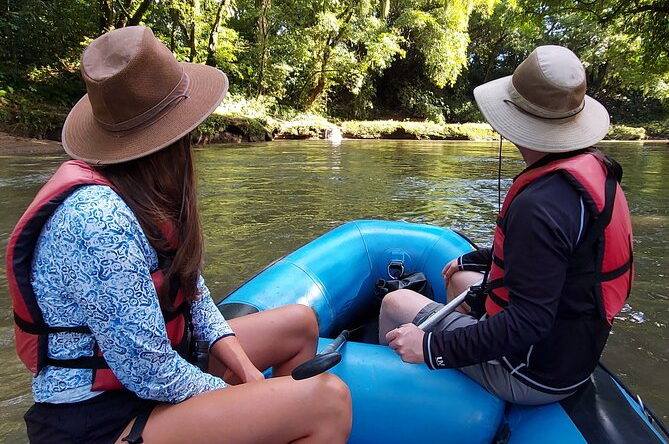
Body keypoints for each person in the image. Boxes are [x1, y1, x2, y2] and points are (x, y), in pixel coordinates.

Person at [6, 26, 351, 444]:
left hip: (152, 375)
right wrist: (244, 399)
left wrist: (246, 374)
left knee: (300, 324)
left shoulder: (140, 190)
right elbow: (151, 373)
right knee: (328, 399)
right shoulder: (97, 222)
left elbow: (194, 294)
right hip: (101, 419)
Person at [378, 45, 634, 405]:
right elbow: (556, 256)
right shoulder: (593, 173)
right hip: (572, 352)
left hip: (534, 372)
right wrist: (473, 259)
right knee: (461, 279)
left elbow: (529, 323)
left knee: (395, 301)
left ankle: (398, 401)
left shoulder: (539, 205)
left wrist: (432, 345)